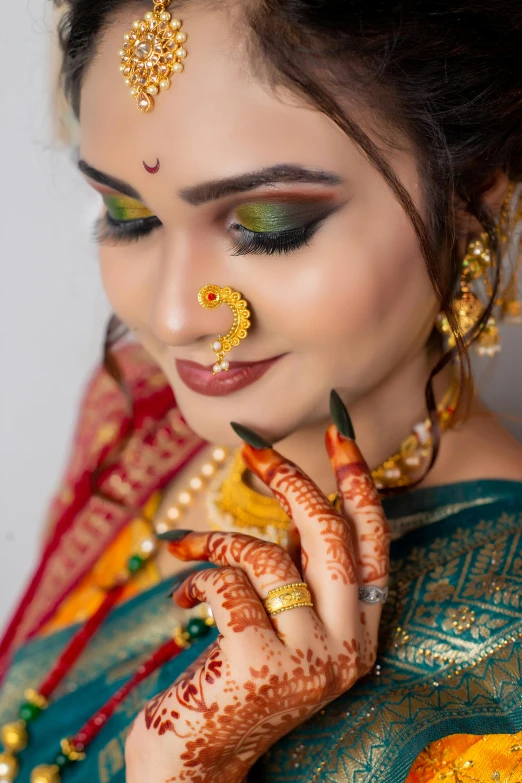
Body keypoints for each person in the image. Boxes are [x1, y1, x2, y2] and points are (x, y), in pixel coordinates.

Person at [1, 0, 522, 781]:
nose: (175, 317)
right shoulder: (143, 421)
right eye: (128, 215)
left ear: (476, 191)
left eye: (270, 222)